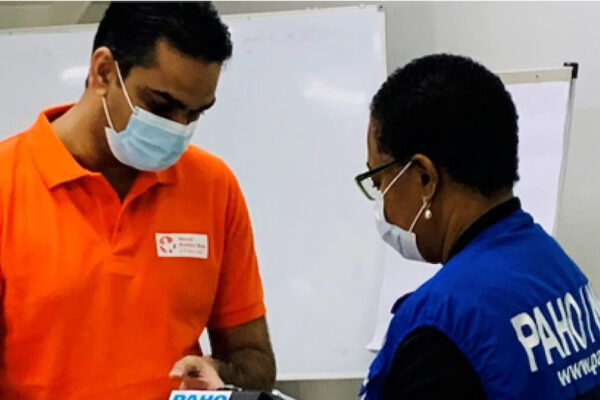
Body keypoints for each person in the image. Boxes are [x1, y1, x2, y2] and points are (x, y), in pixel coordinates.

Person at [0, 3, 275, 399]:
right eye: (161, 105)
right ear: (103, 72)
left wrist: (222, 373)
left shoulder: (214, 187)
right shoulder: (9, 183)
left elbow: (255, 360)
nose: (178, 129)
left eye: (195, 113)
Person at [356, 54, 600, 399]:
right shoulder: (558, 271)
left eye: (380, 181)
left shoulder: (440, 330)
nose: (381, 201)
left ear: (425, 178)